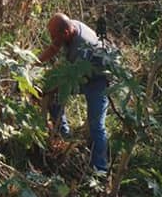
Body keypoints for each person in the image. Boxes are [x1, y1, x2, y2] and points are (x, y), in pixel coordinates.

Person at [39, 12, 110, 175]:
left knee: (96, 126)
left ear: (65, 33)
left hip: (99, 80)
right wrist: (32, 63)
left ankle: (100, 169)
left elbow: (68, 80)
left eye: (55, 37)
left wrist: (47, 89)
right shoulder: (71, 26)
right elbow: (53, 48)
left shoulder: (82, 46)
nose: (53, 40)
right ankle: (64, 137)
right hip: (82, 74)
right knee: (54, 99)